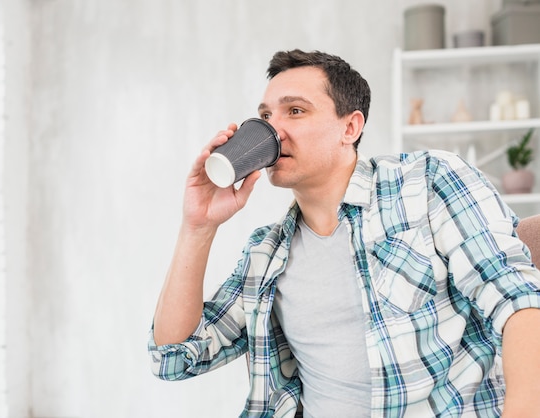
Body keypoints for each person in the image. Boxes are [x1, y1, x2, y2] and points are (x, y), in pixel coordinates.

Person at [148, 49, 540, 417]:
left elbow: (518, 303)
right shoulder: (266, 253)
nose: (274, 131)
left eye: (295, 111)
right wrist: (197, 226)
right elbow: (174, 358)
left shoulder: (429, 182)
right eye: (266, 117)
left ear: (350, 126)